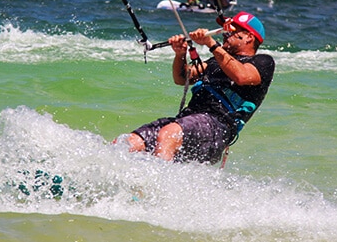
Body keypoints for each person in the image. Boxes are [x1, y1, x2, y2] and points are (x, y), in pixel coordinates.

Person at [114, 12, 275, 164]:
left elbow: (242, 76)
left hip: (217, 128)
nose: (225, 33)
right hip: (187, 121)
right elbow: (181, 78)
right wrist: (180, 54)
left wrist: (211, 43)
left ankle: (155, 191)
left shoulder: (263, 62)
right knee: (127, 143)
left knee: (169, 134)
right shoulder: (214, 61)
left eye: (231, 30)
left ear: (249, 37)